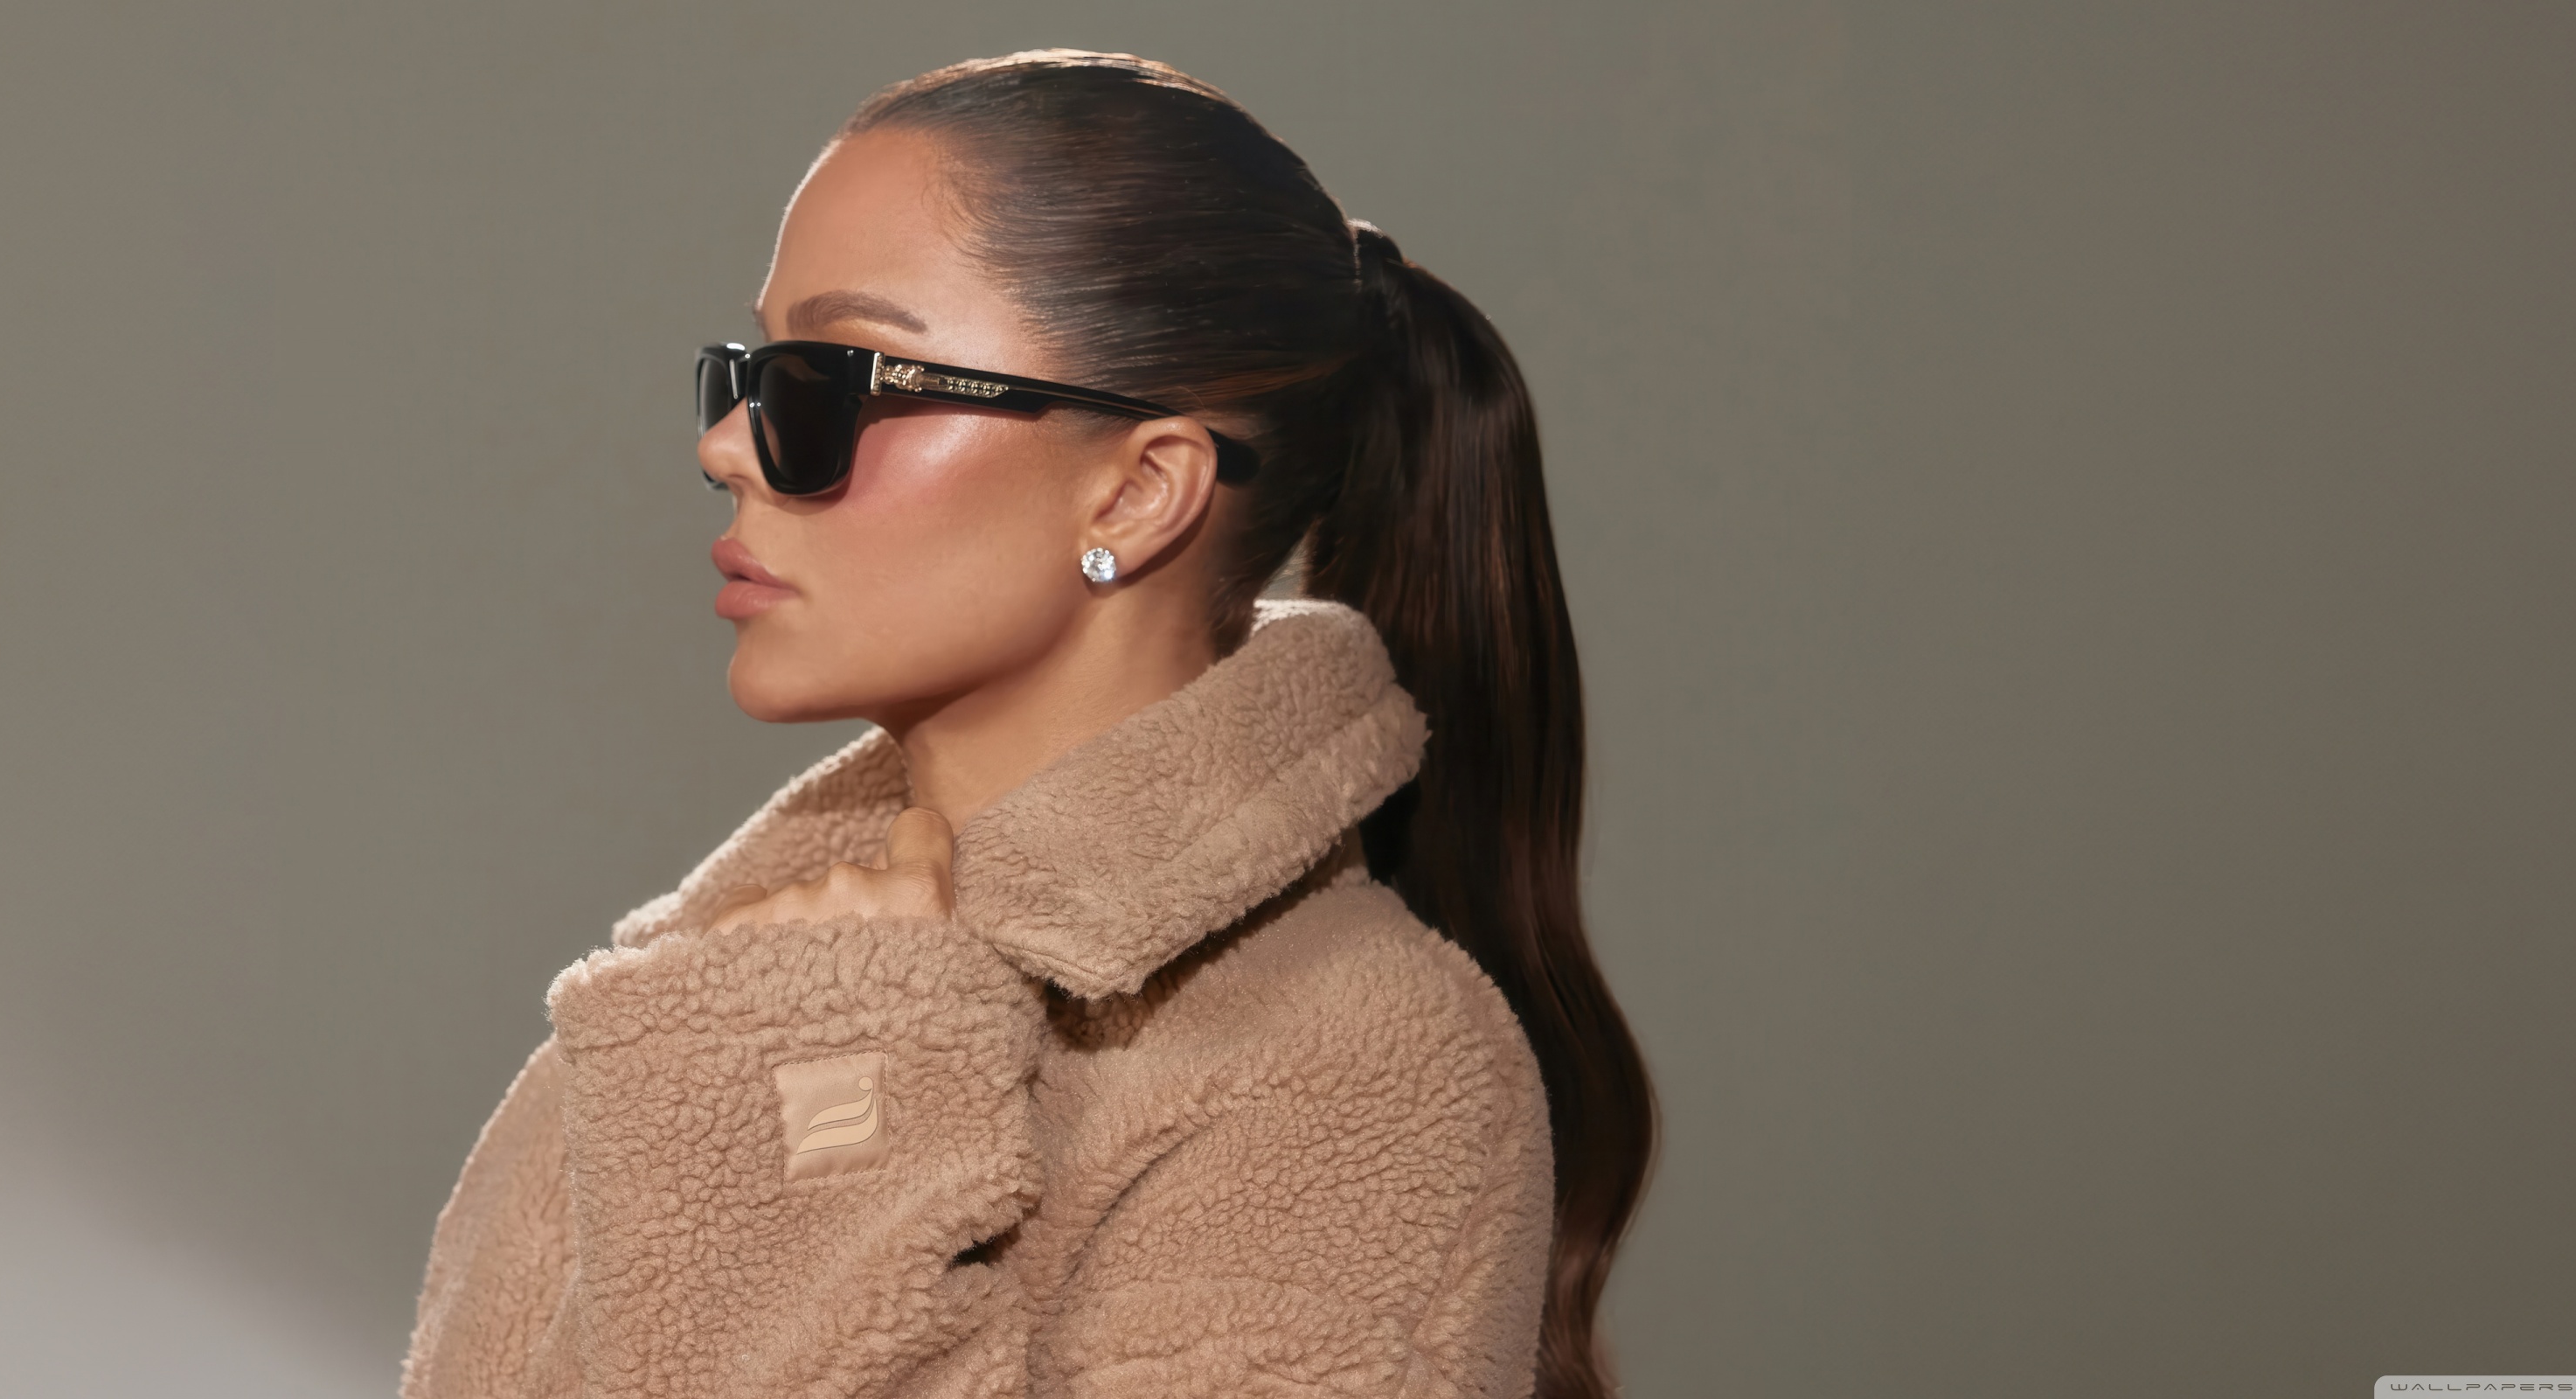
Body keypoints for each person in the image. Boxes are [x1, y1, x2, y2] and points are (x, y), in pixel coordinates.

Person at [401, 50, 1655, 1399]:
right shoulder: (722, 985)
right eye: (748, 375)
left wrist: (842, 1093)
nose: (726, 447)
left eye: (829, 384)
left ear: (1138, 492)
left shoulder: (1366, 1064)